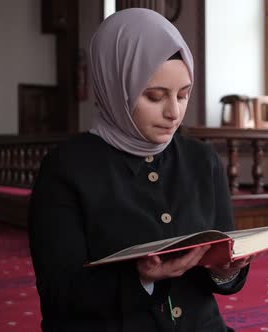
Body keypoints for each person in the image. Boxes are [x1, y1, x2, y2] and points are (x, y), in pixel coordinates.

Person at [28, 8, 252, 331]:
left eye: (183, 94)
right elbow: (59, 294)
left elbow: (220, 276)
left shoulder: (202, 160)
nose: (173, 112)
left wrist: (226, 270)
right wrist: (141, 279)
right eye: (154, 96)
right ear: (115, 86)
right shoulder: (65, 170)